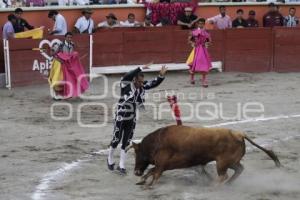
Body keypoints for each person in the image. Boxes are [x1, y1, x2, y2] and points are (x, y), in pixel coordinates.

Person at [107, 64, 167, 175]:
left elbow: (153, 83)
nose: (141, 84)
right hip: (120, 115)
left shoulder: (142, 86)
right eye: (139, 82)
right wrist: (140, 68)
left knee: (127, 141)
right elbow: (127, 76)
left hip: (132, 117)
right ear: (134, 80)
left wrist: (160, 76)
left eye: (142, 82)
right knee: (116, 139)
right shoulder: (125, 84)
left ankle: (121, 165)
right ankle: (110, 159)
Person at [186, 18, 212, 87]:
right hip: (196, 49)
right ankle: (192, 78)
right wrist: (192, 43)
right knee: (193, 64)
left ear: (204, 24)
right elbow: (189, 40)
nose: (201, 25)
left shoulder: (206, 32)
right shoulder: (193, 31)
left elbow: (209, 41)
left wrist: (207, 44)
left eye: (202, 24)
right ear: (197, 24)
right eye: (200, 23)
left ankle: (204, 81)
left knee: (204, 64)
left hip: (203, 50)